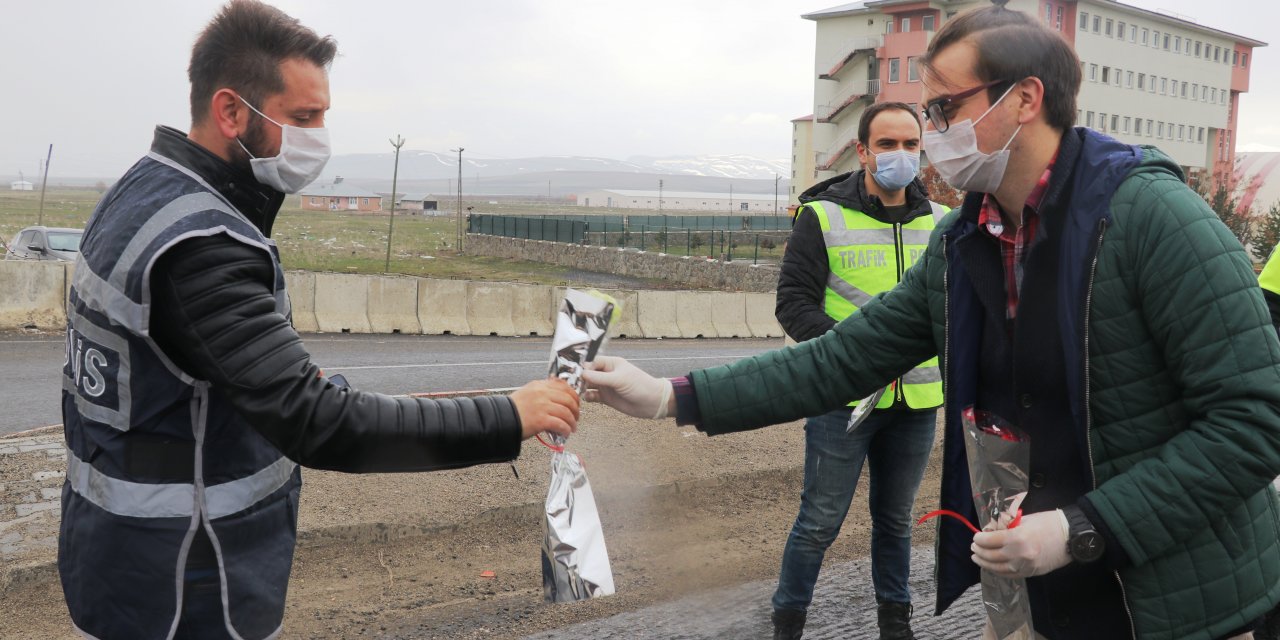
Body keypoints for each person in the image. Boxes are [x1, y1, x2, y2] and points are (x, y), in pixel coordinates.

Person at [583, 5, 1280, 640]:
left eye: (946, 108)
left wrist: (1083, 528)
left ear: (1025, 98)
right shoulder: (962, 242)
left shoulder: (1153, 218)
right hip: (1035, 600)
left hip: (1176, 605)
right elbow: (842, 359)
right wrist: (671, 396)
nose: (933, 135)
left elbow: (1255, 420)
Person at [58, 2, 580, 639]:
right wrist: (508, 415)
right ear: (230, 112)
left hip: (115, 557)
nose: (320, 137)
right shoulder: (202, 247)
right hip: (189, 585)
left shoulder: (144, 190)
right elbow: (319, 423)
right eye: (303, 118)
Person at [770, 101, 945, 640]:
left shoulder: (942, 222)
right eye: (887, 144)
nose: (900, 154)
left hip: (916, 403)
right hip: (841, 398)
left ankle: (897, 624)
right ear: (863, 151)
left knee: (896, 522)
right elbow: (793, 305)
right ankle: (787, 625)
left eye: (911, 144)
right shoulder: (822, 216)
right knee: (819, 523)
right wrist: (852, 356)